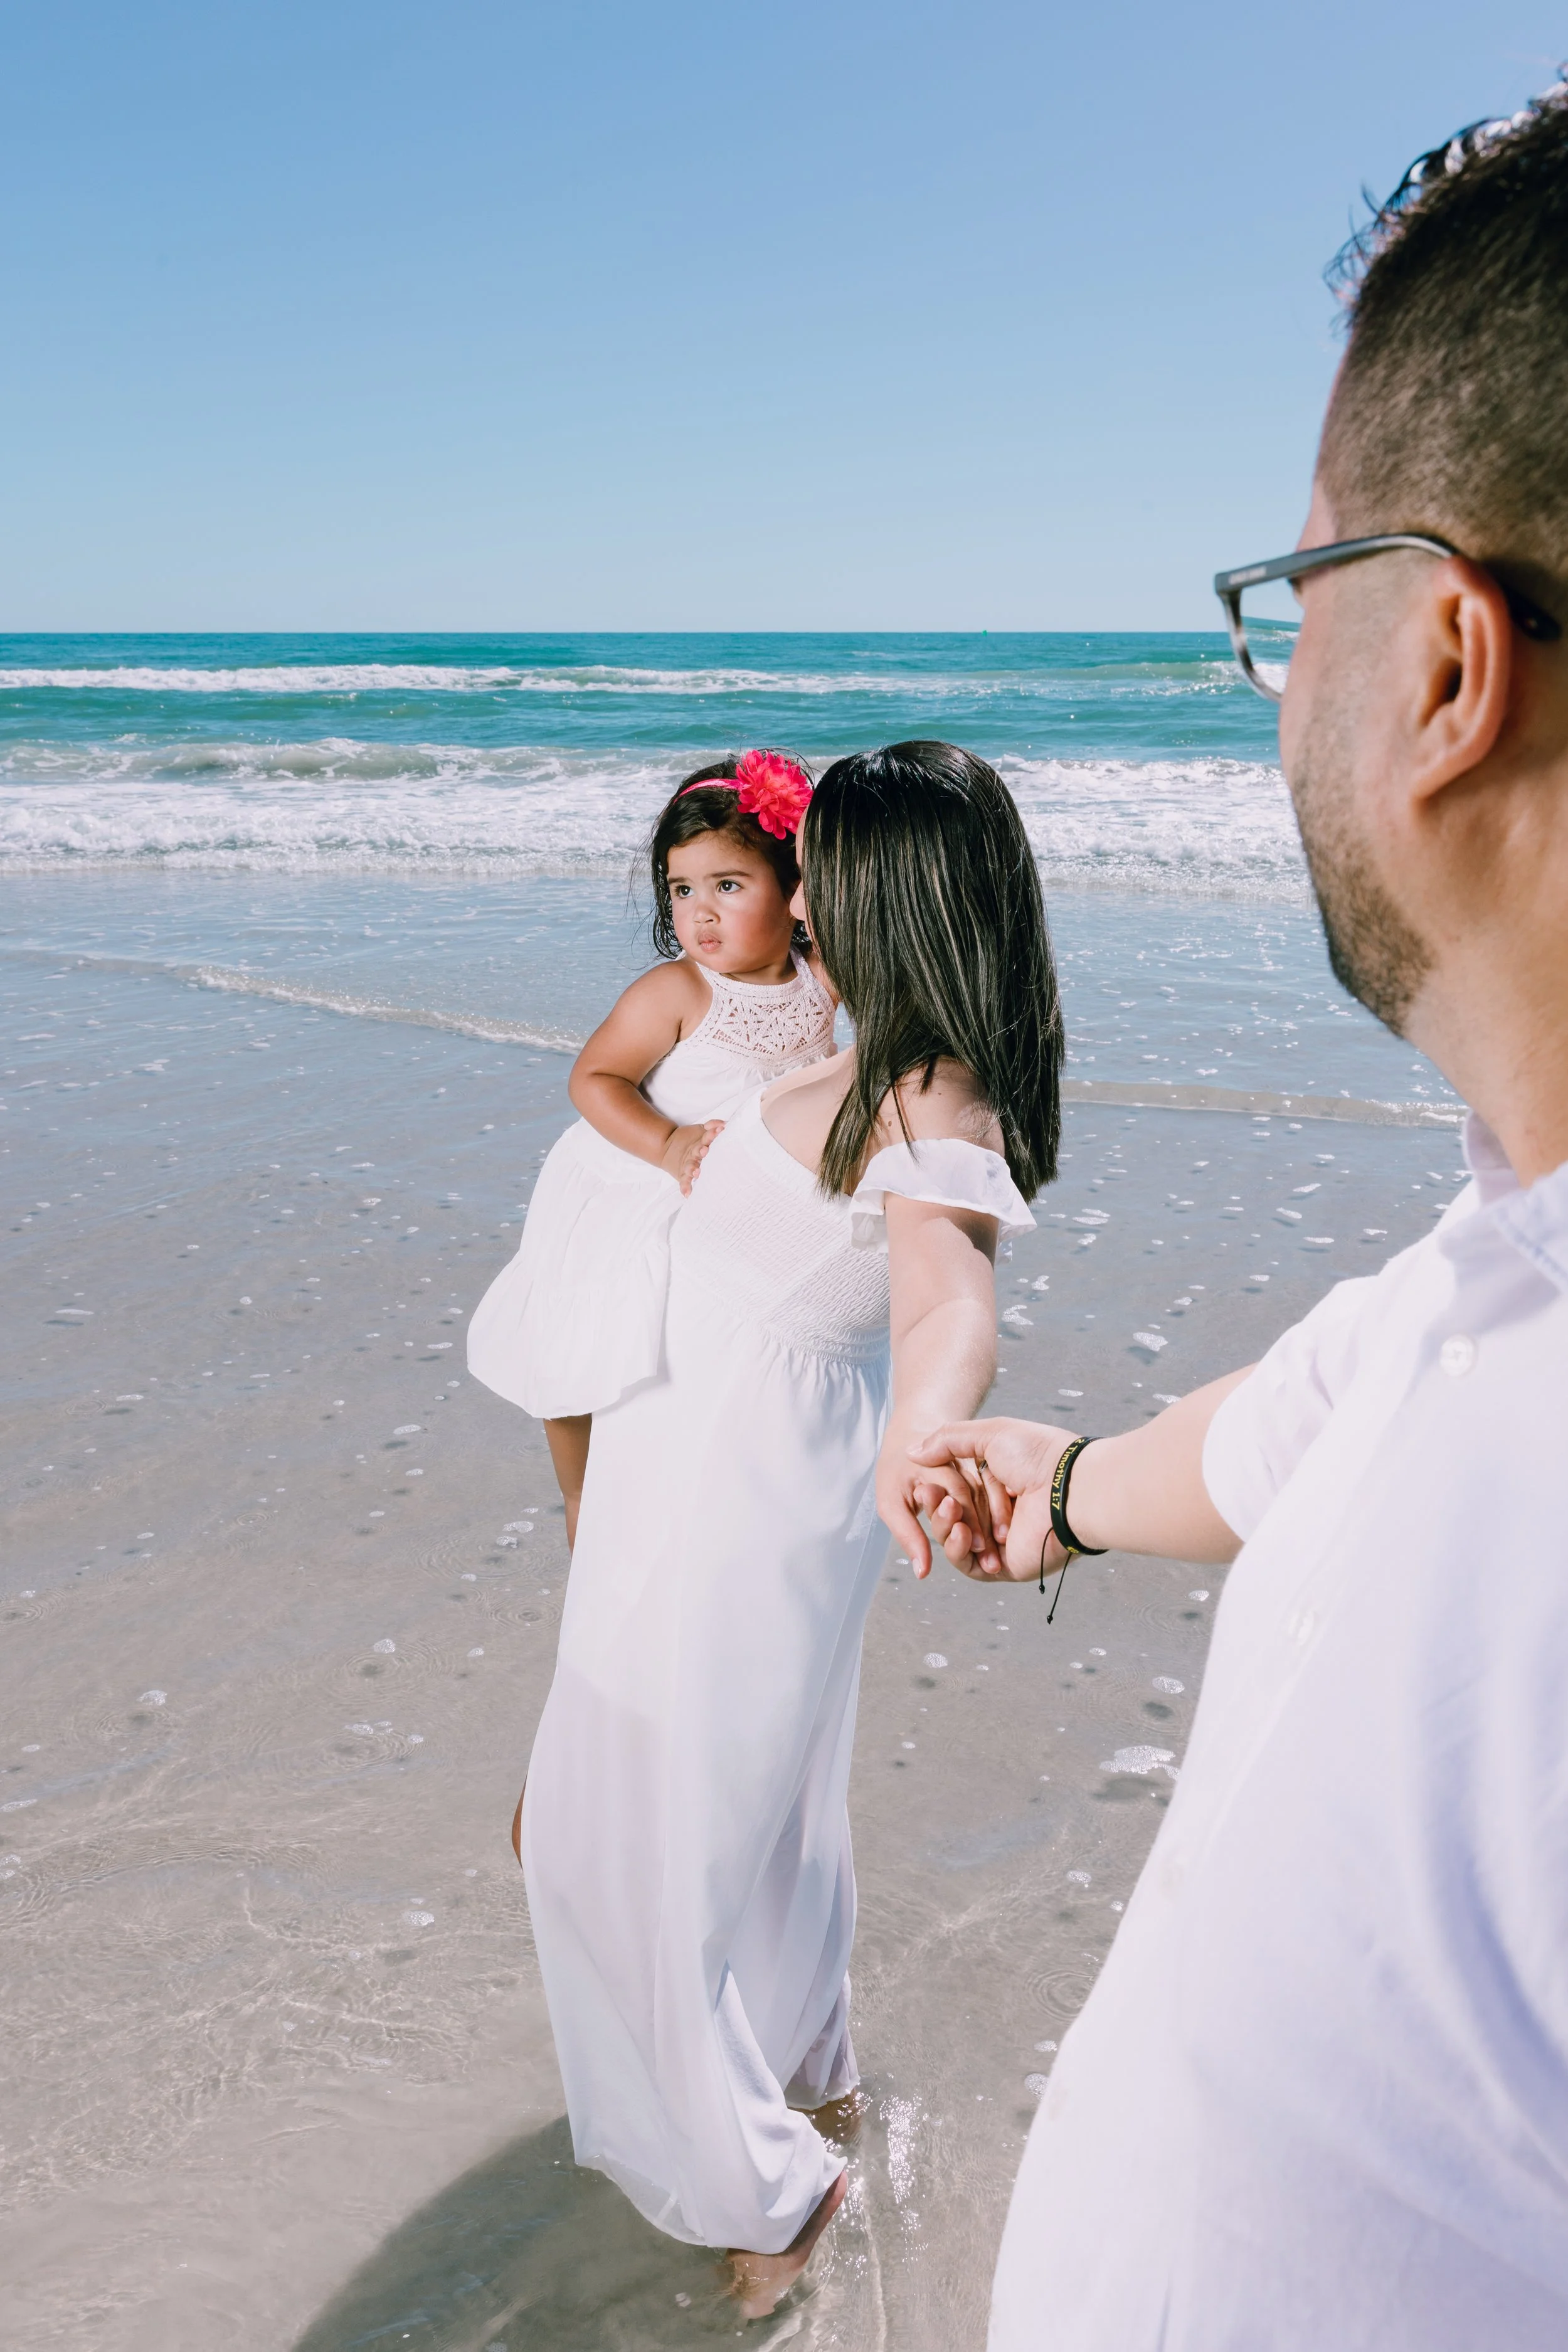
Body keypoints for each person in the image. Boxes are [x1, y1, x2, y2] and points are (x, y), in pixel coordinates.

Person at [912, 78, 1568, 2351]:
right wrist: (1063, 1486)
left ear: (1446, 667)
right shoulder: (1489, 1267)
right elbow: (1297, 1419)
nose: (1280, 687)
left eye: (1306, 595)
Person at [519, 742, 1061, 2314]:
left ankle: (778, 2178)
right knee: (739, 1824)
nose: (795, 886)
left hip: (754, 1485)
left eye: (818, 864)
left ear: (890, 888)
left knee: (629, 1843)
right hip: (667, 1453)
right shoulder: (849, 1031)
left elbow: (948, 1288)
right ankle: (805, 2075)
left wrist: (921, 1426)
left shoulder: (925, 1081)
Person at [466, 750, 835, 1544]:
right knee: (579, 1352)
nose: (698, 913)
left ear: (795, 891)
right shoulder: (675, 991)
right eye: (681, 890)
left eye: (728, 887)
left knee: (689, 1374)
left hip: (731, 1200)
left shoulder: (821, 979)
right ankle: (581, 1509)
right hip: (627, 1184)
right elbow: (595, 1079)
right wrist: (666, 1144)